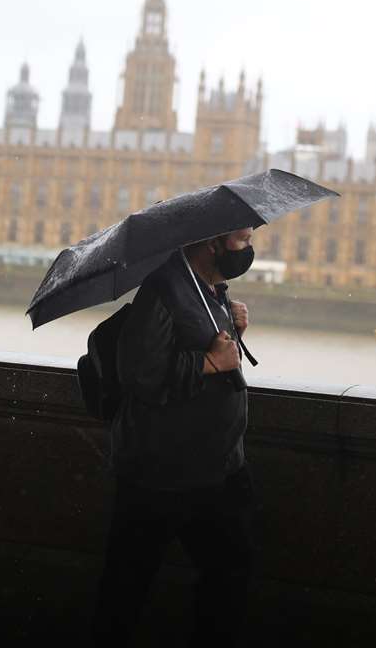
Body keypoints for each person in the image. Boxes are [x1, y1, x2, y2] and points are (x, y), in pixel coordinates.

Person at [92, 226, 257, 645]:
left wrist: (230, 325)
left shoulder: (209, 290)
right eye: (242, 239)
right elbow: (140, 373)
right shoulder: (163, 291)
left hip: (214, 467)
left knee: (228, 578)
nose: (249, 249)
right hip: (162, 474)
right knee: (128, 586)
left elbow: (208, 344)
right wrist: (208, 363)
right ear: (211, 243)